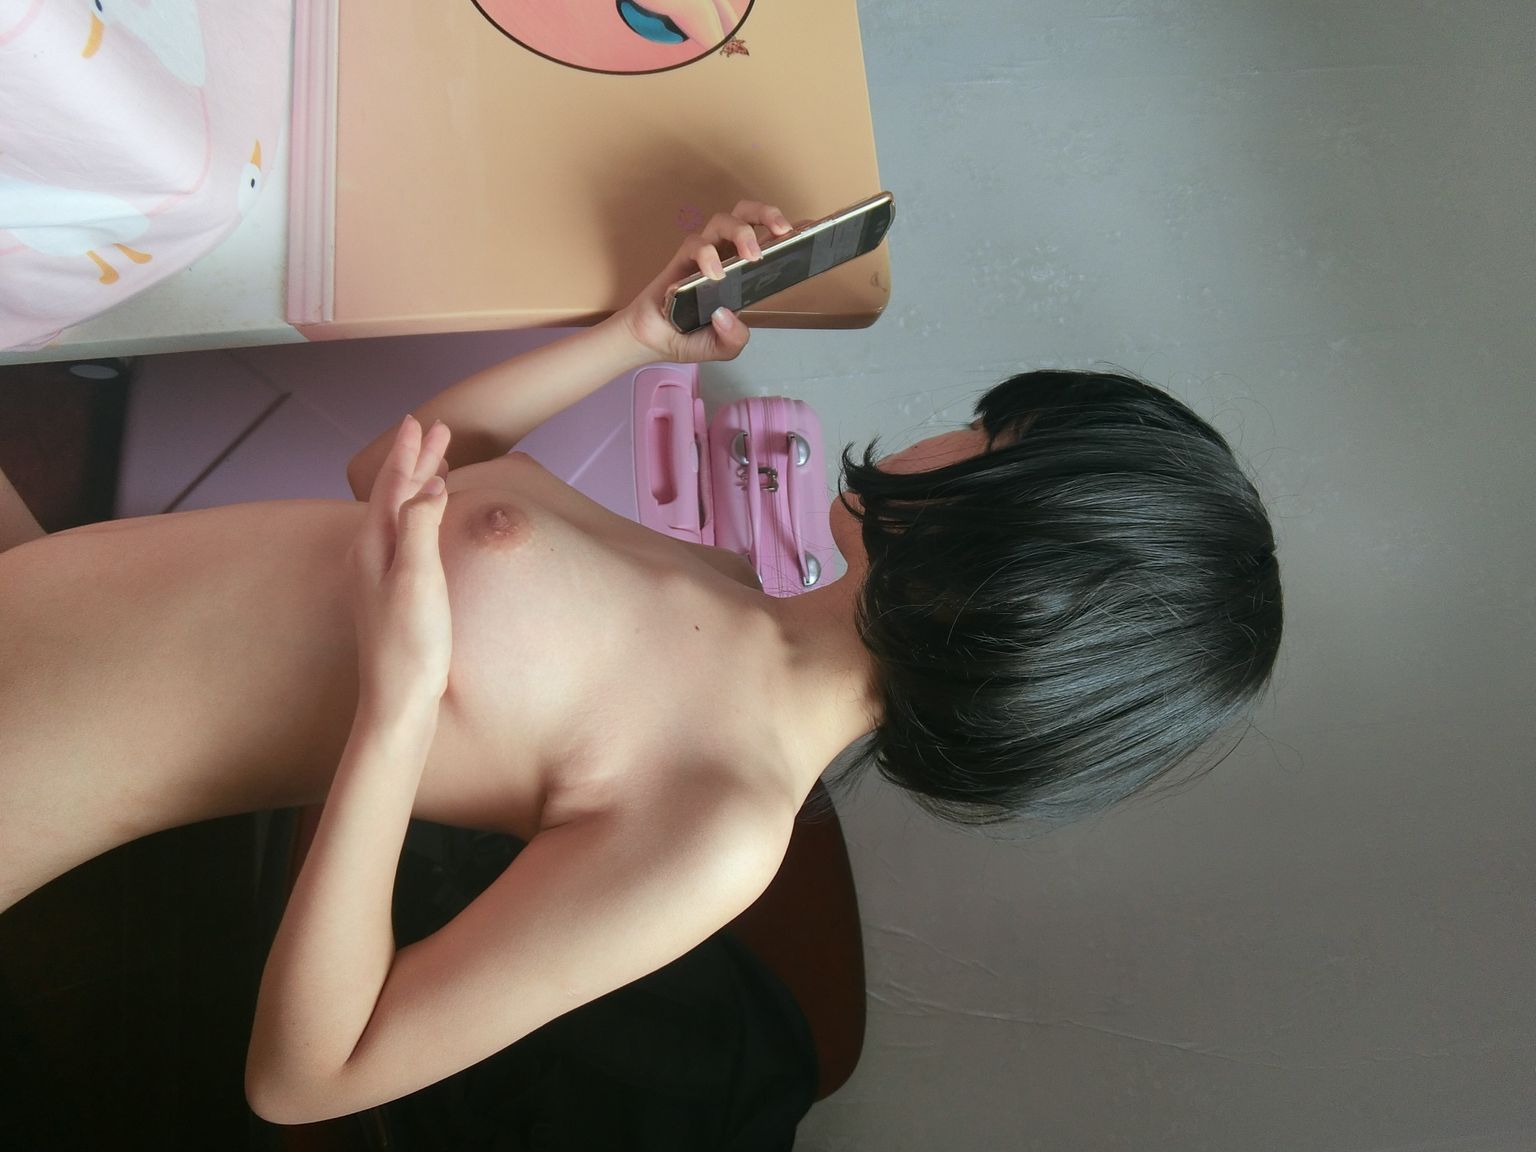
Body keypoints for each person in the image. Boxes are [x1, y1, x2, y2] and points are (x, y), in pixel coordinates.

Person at [0, 200, 1282, 1122]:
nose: (955, 431)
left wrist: (394, 710)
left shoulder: (722, 827)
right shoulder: (730, 583)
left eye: (994, 441)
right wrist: (635, 338)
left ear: (1013, 569)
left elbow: (308, 1078)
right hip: (44, 594)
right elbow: (389, 478)